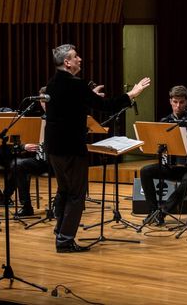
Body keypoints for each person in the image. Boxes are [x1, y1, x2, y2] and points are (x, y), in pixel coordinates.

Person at [45, 44, 150, 253]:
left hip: (54, 146)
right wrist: (132, 94)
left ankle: (60, 231)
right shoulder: (76, 84)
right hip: (71, 147)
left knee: (64, 190)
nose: (80, 59)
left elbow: (67, 106)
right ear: (67, 62)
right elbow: (106, 106)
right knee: (76, 194)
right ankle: (65, 241)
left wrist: (87, 95)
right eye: (76, 56)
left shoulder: (52, 83)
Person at [139, 85, 187, 226]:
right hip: (171, 166)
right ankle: (152, 211)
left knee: (186, 181)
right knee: (145, 171)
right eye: (175, 102)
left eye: (181, 102)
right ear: (170, 101)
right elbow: (158, 144)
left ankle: (162, 212)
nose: (178, 105)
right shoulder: (165, 122)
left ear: (186, 102)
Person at [2, 86, 50, 216]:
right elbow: (25, 138)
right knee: (17, 164)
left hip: (58, 160)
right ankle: (26, 206)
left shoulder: (59, 117)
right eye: (41, 101)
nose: (43, 104)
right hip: (42, 159)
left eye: (45, 100)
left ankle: (58, 204)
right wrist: (25, 146)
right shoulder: (40, 119)